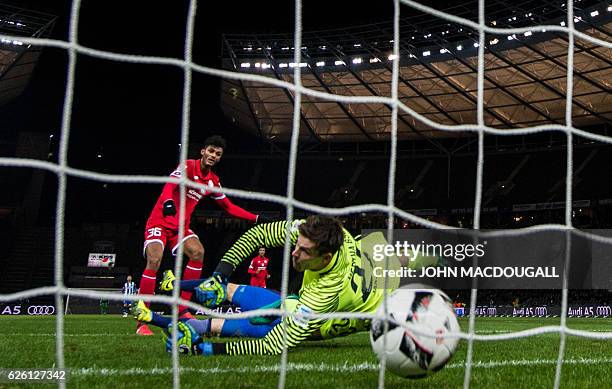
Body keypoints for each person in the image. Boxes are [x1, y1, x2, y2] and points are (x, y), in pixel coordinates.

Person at [151, 215, 388, 355]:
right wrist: (221, 273)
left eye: (304, 251)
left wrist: (207, 350)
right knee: (232, 290)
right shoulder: (314, 231)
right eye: (296, 244)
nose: (294, 253)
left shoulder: (326, 291)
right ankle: (188, 313)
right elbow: (258, 234)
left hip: (331, 320)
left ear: (325, 258)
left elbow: (274, 345)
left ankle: (198, 329)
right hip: (371, 281)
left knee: (279, 321)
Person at [136, 135, 267, 336]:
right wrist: (169, 203)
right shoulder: (188, 166)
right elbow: (169, 185)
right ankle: (141, 318)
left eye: (218, 154)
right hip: (160, 222)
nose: (213, 155)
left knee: (198, 252)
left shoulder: (213, 182)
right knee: (154, 259)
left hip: (180, 228)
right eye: (211, 151)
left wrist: (255, 218)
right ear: (203, 151)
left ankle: (182, 310)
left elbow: (229, 207)